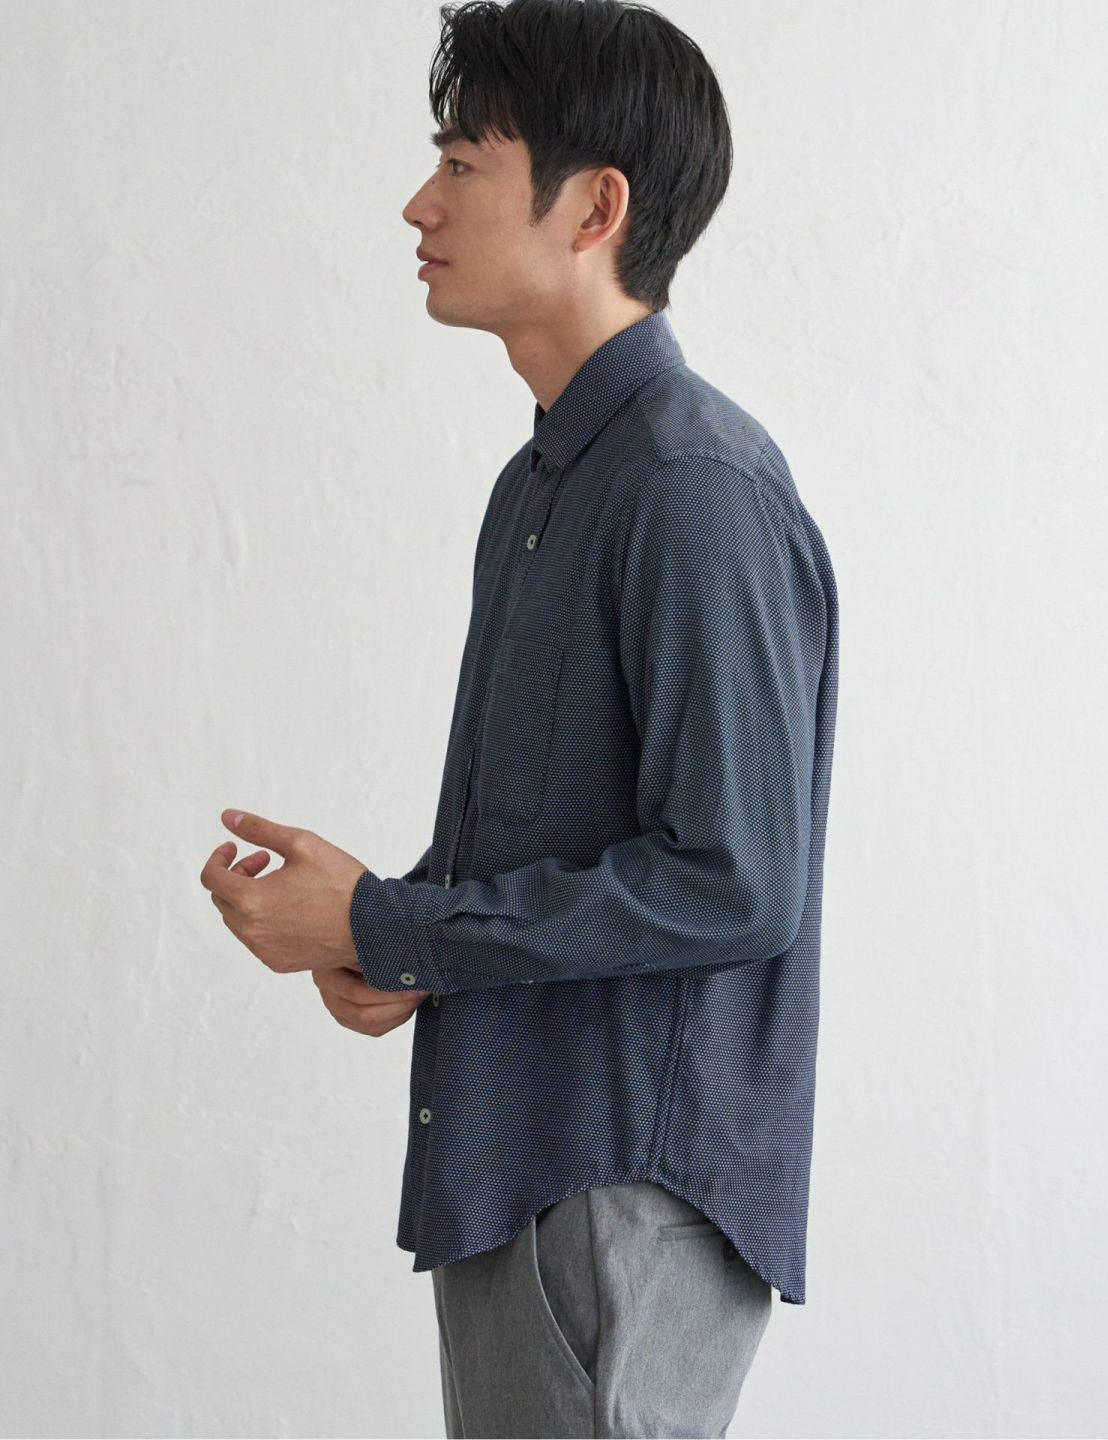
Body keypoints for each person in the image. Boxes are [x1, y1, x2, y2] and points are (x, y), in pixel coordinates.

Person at [352, 1, 840, 1433]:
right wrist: (386, 935)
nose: (421, 204)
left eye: (463, 163)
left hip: (616, 1187)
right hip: (529, 1166)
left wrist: (400, 927)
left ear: (594, 207)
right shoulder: (547, 483)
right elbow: (577, 836)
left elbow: (734, 879)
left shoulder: (694, 485)